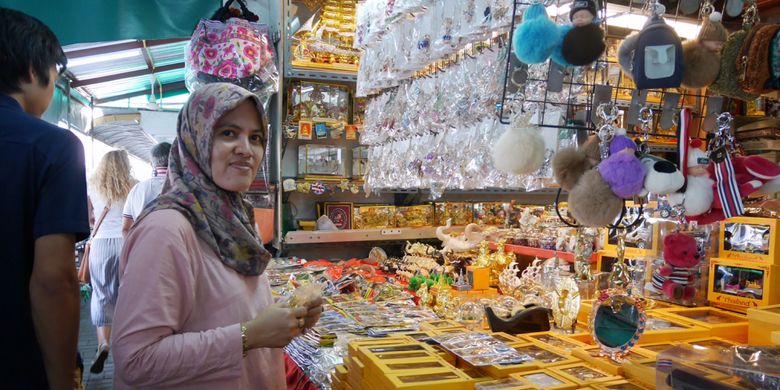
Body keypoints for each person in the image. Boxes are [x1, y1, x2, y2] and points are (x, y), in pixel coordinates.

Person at [112, 83, 323, 389]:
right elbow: (136, 359)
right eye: (228, 133)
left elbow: (220, 310)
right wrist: (249, 335)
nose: (246, 149)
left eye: (256, 138)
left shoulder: (234, 218)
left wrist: (289, 316)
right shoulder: (166, 229)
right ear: (196, 138)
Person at [0, 7, 89, 389]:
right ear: (33, 72)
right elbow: (54, 280)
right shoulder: (52, 146)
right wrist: (62, 379)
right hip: (17, 362)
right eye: (54, 80)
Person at [87, 149, 136, 373]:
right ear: (125, 165)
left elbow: (89, 217)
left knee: (101, 295)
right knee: (127, 295)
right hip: (126, 243)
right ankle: (127, 347)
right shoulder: (134, 184)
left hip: (100, 245)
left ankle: (103, 344)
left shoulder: (93, 185)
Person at [121, 142, 171, 237]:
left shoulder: (137, 189)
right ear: (175, 160)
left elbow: (125, 229)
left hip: (144, 246)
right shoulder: (185, 187)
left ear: (151, 164)